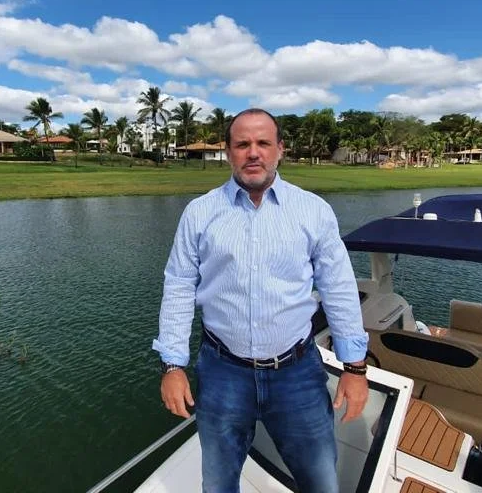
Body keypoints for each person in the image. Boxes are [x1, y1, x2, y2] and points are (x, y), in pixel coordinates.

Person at [151, 108, 370, 493]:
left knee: (321, 481)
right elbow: (179, 286)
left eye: (263, 143)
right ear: (229, 151)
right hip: (223, 372)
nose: (253, 153)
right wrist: (173, 364)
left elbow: (338, 287)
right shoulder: (199, 214)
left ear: (279, 150)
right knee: (218, 483)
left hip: (297, 372)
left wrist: (354, 369)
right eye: (242, 144)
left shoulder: (313, 211)